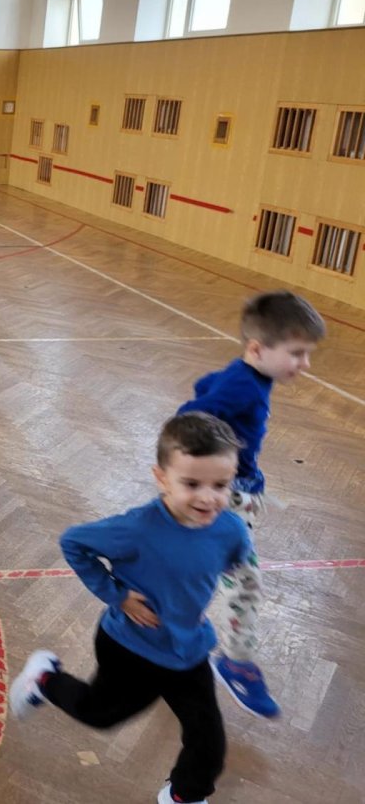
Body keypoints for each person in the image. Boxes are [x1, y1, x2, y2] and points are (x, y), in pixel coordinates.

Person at [10, 412, 252, 804]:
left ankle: (183, 796)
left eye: (220, 485)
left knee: (208, 742)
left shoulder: (231, 530)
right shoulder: (137, 528)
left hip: (187, 652)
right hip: (130, 648)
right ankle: (44, 679)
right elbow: (74, 542)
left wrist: (214, 603)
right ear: (162, 478)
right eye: (192, 484)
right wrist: (117, 595)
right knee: (99, 714)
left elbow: (229, 566)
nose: (208, 497)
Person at [176, 290, 325, 718]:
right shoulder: (243, 384)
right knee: (245, 583)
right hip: (226, 501)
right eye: (296, 353)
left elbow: (207, 386)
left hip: (237, 495)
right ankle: (236, 662)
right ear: (258, 349)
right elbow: (190, 415)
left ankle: (176, 643)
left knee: (203, 574)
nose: (304, 364)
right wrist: (207, 477)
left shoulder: (245, 376)